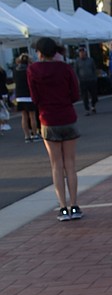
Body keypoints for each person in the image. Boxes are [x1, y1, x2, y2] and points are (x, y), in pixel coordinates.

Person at [27, 36, 83, 221]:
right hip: (67, 116)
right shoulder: (65, 68)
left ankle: (63, 207)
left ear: (40, 52)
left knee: (56, 165)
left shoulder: (33, 70)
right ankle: (75, 205)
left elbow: (34, 98)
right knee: (70, 164)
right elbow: (75, 94)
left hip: (48, 119)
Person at [12, 53, 40, 141]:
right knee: (32, 116)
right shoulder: (29, 70)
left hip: (19, 95)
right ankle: (35, 135)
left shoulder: (15, 70)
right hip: (29, 94)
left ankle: (26, 136)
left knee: (24, 116)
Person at [75, 46, 99, 114]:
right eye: (80, 53)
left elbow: (94, 69)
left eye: (83, 52)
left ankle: (93, 106)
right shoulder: (77, 61)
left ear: (85, 53)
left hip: (91, 80)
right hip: (83, 81)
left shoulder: (90, 60)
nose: (82, 54)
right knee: (84, 96)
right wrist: (78, 80)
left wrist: (95, 78)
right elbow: (76, 71)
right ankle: (87, 109)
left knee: (94, 95)